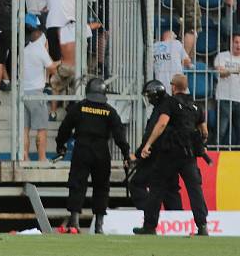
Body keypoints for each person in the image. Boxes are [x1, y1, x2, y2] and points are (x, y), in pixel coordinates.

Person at [134, 74, 209, 236]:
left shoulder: (170, 103)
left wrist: (148, 145)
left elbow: (161, 124)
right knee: (195, 189)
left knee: (157, 188)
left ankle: (149, 226)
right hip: (188, 155)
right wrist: (199, 144)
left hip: (169, 153)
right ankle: (202, 226)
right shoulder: (196, 105)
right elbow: (204, 131)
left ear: (173, 87)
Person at [55, 78, 131, 234]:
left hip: (81, 150)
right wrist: (125, 154)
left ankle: (74, 221)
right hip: (101, 152)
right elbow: (119, 135)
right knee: (102, 187)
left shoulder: (79, 107)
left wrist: (60, 145)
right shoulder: (109, 111)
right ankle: (99, 225)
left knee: (77, 184)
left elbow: (65, 128)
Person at [129, 80, 184, 212]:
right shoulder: (172, 104)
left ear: (155, 95)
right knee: (170, 189)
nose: (148, 98)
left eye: (149, 95)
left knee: (137, 183)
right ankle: (177, 220)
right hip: (172, 154)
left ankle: (148, 214)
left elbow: (153, 132)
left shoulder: (162, 108)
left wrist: (138, 154)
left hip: (157, 154)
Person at [21, 27, 58, 161]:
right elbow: (53, 69)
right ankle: (42, 159)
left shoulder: (24, 51)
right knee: (41, 128)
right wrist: (60, 61)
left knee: (25, 129)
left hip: (23, 94)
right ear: (43, 39)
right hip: (36, 94)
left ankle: (24, 157)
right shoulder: (40, 50)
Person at [214, 33, 240, 146]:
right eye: (236, 42)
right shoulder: (222, 56)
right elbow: (221, 73)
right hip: (224, 97)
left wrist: (229, 70)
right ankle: (215, 151)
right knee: (221, 130)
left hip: (239, 98)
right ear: (231, 43)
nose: (238, 45)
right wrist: (235, 70)